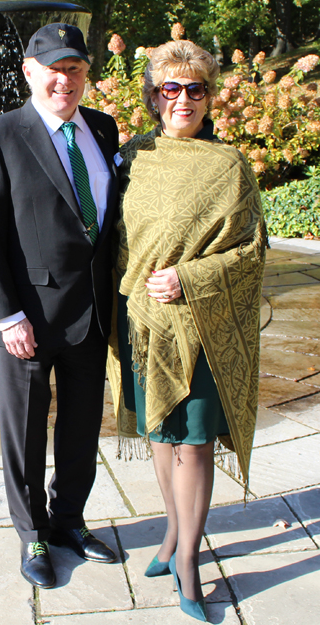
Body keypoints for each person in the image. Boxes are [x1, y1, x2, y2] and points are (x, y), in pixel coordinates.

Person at [107, 39, 266, 622]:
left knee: (194, 440)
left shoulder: (228, 164)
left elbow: (252, 250)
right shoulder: (132, 158)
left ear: (208, 96)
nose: (182, 100)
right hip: (141, 321)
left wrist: (190, 278)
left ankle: (190, 560)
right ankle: (171, 536)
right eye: (170, 89)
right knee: (159, 431)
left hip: (199, 319)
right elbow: (109, 237)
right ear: (153, 97)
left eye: (194, 89)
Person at [0, 23, 121, 590]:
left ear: (86, 73)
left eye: (75, 68)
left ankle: (69, 523)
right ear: (30, 71)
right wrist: (7, 315)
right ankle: (32, 533)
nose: (66, 79)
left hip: (92, 313)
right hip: (26, 320)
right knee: (25, 434)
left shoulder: (102, 128)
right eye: (54, 68)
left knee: (81, 429)